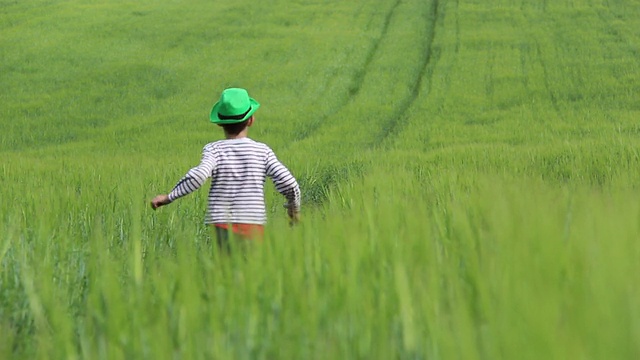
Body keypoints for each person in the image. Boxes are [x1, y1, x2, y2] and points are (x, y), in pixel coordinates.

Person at [150, 87, 301, 249]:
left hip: (221, 225)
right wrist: (294, 208)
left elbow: (199, 175)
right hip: (252, 224)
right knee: (251, 271)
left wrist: (169, 197)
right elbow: (289, 183)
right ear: (251, 120)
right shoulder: (262, 151)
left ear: (219, 123)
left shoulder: (213, 150)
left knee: (225, 270)